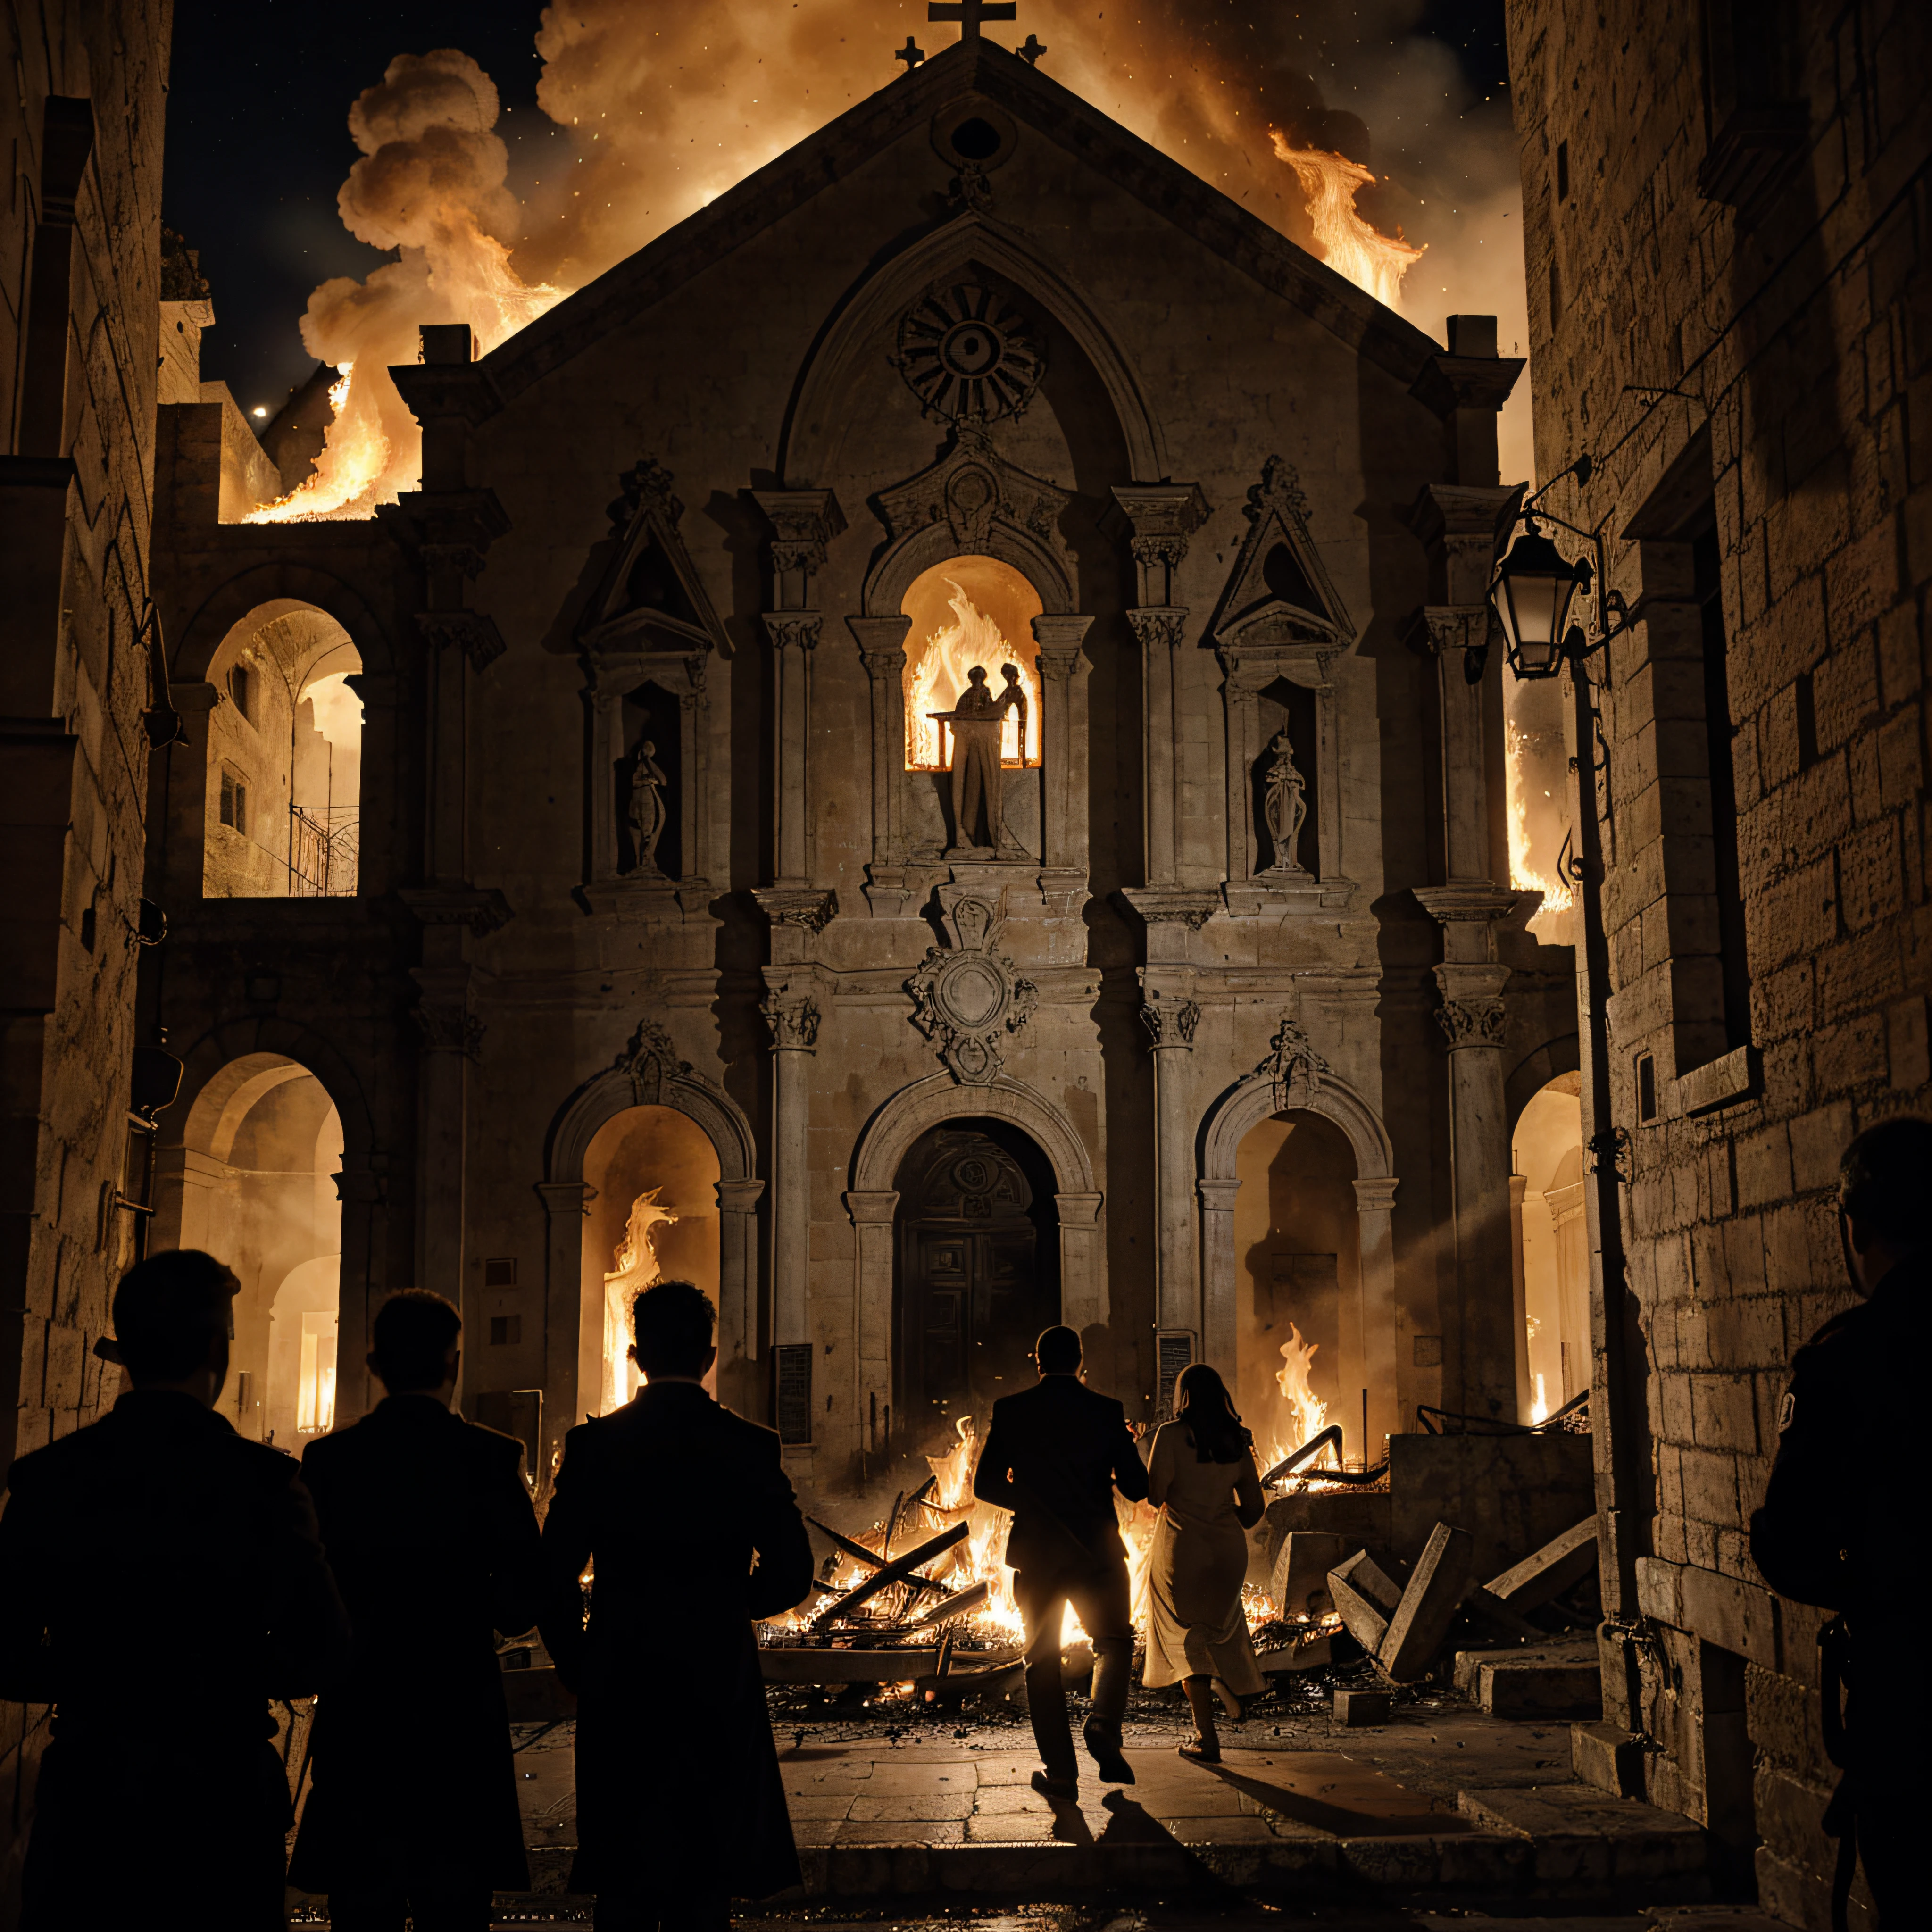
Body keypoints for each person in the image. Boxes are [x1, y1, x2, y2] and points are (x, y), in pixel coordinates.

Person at [0, 1249, 350, 1931]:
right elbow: (327, 1650)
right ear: (218, 1349)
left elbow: (6, 1653)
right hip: (221, 1800)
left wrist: (101, 1677)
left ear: (124, 1349)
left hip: (91, 1795)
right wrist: (228, 1674)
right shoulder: (265, 1486)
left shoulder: (49, 1479)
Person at [538, 1280, 813, 1931]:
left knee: (625, 1871)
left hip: (621, 1670)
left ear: (637, 1355)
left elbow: (551, 1574)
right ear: (709, 1357)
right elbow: (793, 1572)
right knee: (706, 1870)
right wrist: (730, 1605)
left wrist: (579, 1663)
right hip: (715, 1674)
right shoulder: (749, 1445)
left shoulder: (595, 1447)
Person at [288, 1290, 542, 1931]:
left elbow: (302, 1593)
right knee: (455, 1906)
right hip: (458, 1715)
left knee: (362, 1904)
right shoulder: (491, 1457)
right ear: (454, 1365)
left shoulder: (328, 1461)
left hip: (362, 1714)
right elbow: (520, 1603)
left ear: (375, 1364)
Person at [1751, 1116, 1931, 1931]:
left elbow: (1789, 1547)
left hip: (1911, 1704)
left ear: (1851, 1226)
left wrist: (1879, 1585)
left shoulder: (1851, 1358)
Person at [972, 1324, 1149, 1797]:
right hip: (1099, 1551)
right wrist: (1124, 1444)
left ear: (1037, 1362)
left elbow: (985, 1485)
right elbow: (1137, 1487)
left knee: (1042, 1661)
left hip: (1037, 1553)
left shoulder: (1011, 1410)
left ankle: (1061, 1774)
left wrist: (1030, 1503)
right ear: (1080, 1362)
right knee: (1113, 1642)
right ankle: (1103, 1727)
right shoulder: (1106, 1411)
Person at [1141, 1364, 1267, 1763]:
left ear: (1183, 1397)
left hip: (1184, 1550)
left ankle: (1206, 1736)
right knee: (1217, 1630)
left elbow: (1154, 1494)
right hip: (1229, 1551)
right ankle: (1224, 1687)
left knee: (1187, 1639)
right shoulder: (1236, 1441)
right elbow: (1253, 1509)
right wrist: (1223, 1514)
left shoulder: (1171, 1435)